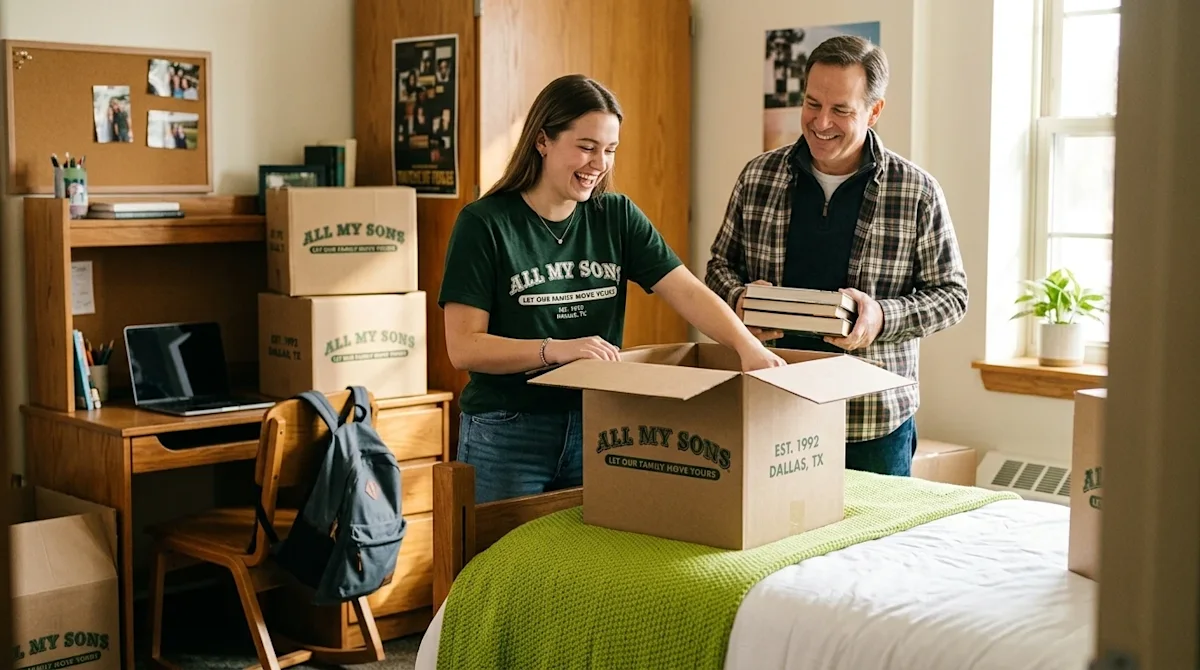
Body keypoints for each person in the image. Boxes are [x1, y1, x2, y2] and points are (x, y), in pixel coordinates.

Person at [439, 74, 787, 504]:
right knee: (494, 566)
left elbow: (687, 291)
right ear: (543, 140)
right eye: (586, 147)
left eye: (609, 150)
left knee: (586, 565)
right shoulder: (485, 224)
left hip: (600, 423)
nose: (599, 164)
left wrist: (747, 347)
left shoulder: (616, 215)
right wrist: (557, 349)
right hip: (509, 430)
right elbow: (464, 347)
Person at [705, 35, 968, 478]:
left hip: (872, 422)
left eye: (841, 110)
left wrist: (880, 317)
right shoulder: (758, 177)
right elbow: (717, 269)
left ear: (875, 110)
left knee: (877, 548)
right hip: (773, 404)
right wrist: (740, 300)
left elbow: (952, 296)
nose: (821, 122)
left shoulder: (917, 191)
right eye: (812, 104)